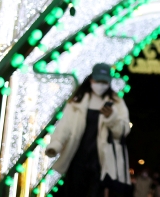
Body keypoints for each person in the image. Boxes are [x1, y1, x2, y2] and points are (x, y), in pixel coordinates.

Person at [46, 63, 132, 197]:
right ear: (91, 79)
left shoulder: (116, 102)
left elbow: (123, 130)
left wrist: (111, 117)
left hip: (100, 161)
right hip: (76, 157)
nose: (101, 85)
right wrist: (55, 145)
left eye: (104, 82)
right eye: (98, 81)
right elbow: (65, 126)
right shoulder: (77, 101)